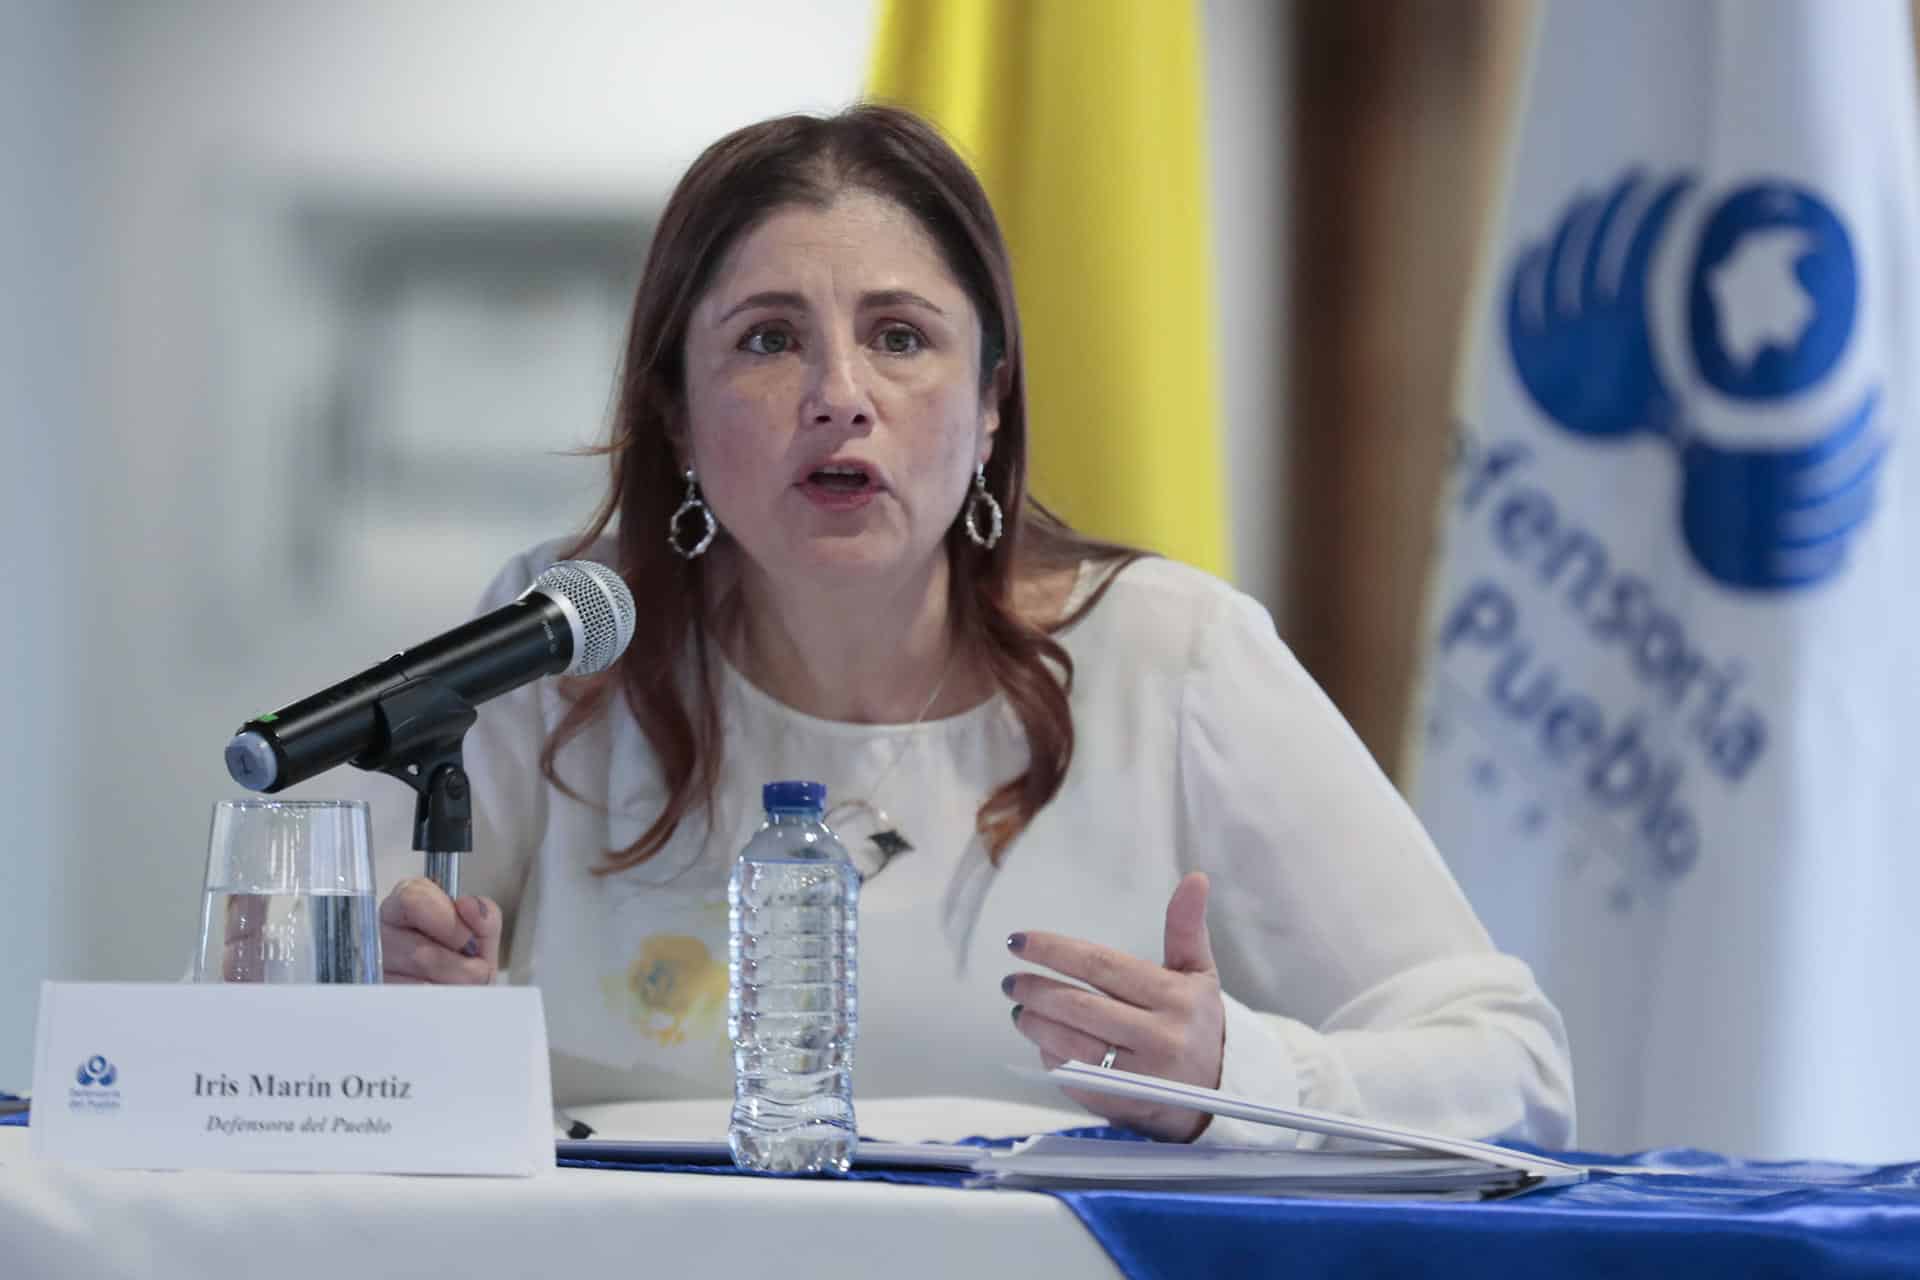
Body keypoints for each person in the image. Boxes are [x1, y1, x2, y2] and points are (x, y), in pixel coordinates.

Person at [372, 104, 1574, 1147]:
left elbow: (1510, 1065)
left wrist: (1237, 1074)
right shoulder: (560, 649)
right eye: (768, 338)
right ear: (675, 414)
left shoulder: (1170, 657)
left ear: (992, 404)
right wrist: (403, 1029)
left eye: (901, 336)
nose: (839, 392)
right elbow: (302, 1049)